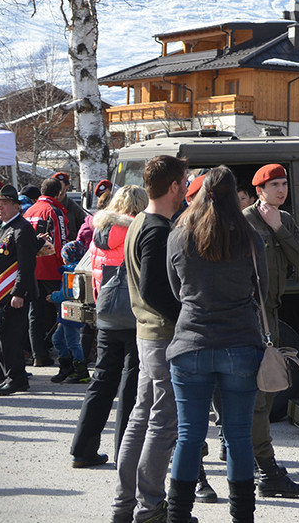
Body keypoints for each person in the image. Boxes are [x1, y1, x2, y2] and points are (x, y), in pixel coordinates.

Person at [166, 166, 266, 523]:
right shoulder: (250, 237)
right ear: (234, 195)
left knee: (188, 436)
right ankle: (242, 517)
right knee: (238, 437)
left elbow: (176, 290)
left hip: (190, 342)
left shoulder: (179, 236)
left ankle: (177, 516)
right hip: (240, 342)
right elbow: (263, 291)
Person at [111, 155, 187, 523]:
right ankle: (150, 506)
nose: (186, 188)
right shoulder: (156, 228)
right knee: (162, 423)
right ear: (173, 186)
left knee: (141, 419)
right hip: (161, 337)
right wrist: (186, 318)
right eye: (184, 182)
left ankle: (125, 505)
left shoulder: (140, 221)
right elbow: (154, 290)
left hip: (147, 335)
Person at [240, 164, 299, 497]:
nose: (281, 190)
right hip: (251, 315)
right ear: (260, 191)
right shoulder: (244, 221)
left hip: (273, 313)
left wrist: (279, 228)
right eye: (274, 185)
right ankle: (261, 464)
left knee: (269, 388)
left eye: (284, 184)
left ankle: (255, 456)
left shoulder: (285, 220)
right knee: (256, 394)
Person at [71, 185, 147, 469]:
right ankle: (125, 452)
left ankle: (82, 449)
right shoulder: (137, 230)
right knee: (131, 383)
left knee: (101, 380)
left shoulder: (99, 233)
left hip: (106, 315)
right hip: (134, 315)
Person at [0, 185, 40, 395]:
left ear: (16, 206)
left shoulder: (21, 229)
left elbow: (26, 265)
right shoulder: (3, 228)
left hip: (12, 293)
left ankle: (17, 379)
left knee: (9, 338)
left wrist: (18, 292)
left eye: (5, 204)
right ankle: (6, 374)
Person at [23, 177, 70, 367]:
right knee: (64, 311)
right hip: (52, 269)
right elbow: (61, 241)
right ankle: (68, 356)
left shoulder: (29, 211)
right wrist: (66, 264)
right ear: (59, 193)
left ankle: (38, 355)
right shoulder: (54, 211)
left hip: (32, 269)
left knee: (35, 314)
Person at [48, 240, 90, 384]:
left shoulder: (72, 272)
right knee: (58, 339)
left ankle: (81, 370)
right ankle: (67, 367)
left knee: (72, 342)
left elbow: (70, 293)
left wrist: (54, 296)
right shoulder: (75, 269)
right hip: (68, 312)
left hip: (71, 311)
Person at [53, 171, 89, 242]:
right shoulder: (47, 206)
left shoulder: (73, 208)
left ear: (67, 186)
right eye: (54, 185)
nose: (56, 188)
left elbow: (84, 229)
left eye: (59, 185)